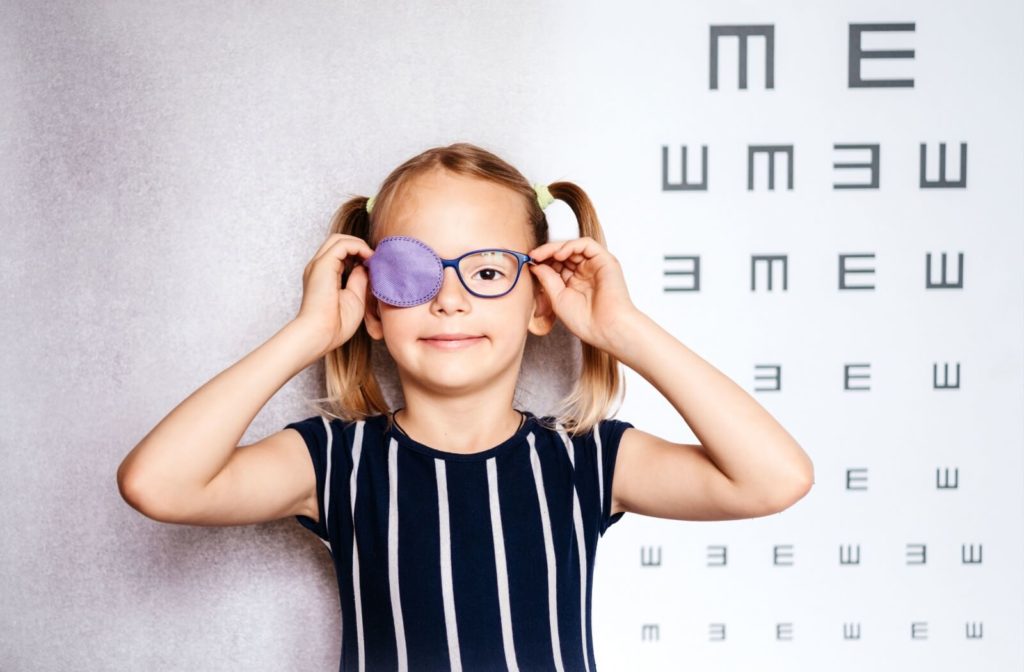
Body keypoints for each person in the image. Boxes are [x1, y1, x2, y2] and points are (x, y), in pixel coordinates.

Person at [116, 142, 814, 671]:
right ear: (374, 307)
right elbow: (159, 484)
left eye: (486, 272)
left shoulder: (588, 459)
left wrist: (620, 328)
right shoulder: (334, 462)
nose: (449, 298)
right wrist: (308, 333)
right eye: (412, 273)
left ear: (540, 301)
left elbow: (774, 478)